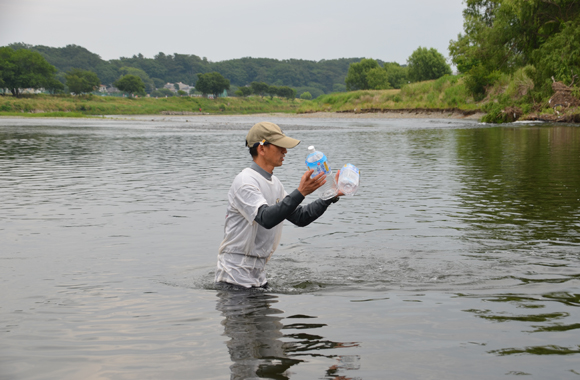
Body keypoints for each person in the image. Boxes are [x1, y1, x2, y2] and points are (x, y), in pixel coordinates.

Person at [215, 121, 341, 290]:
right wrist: (301, 192)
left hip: (258, 276)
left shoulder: (275, 183)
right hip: (234, 279)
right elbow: (265, 218)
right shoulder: (245, 181)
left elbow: (300, 217)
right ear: (261, 149)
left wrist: (330, 195)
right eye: (280, 146)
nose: (285, 151)